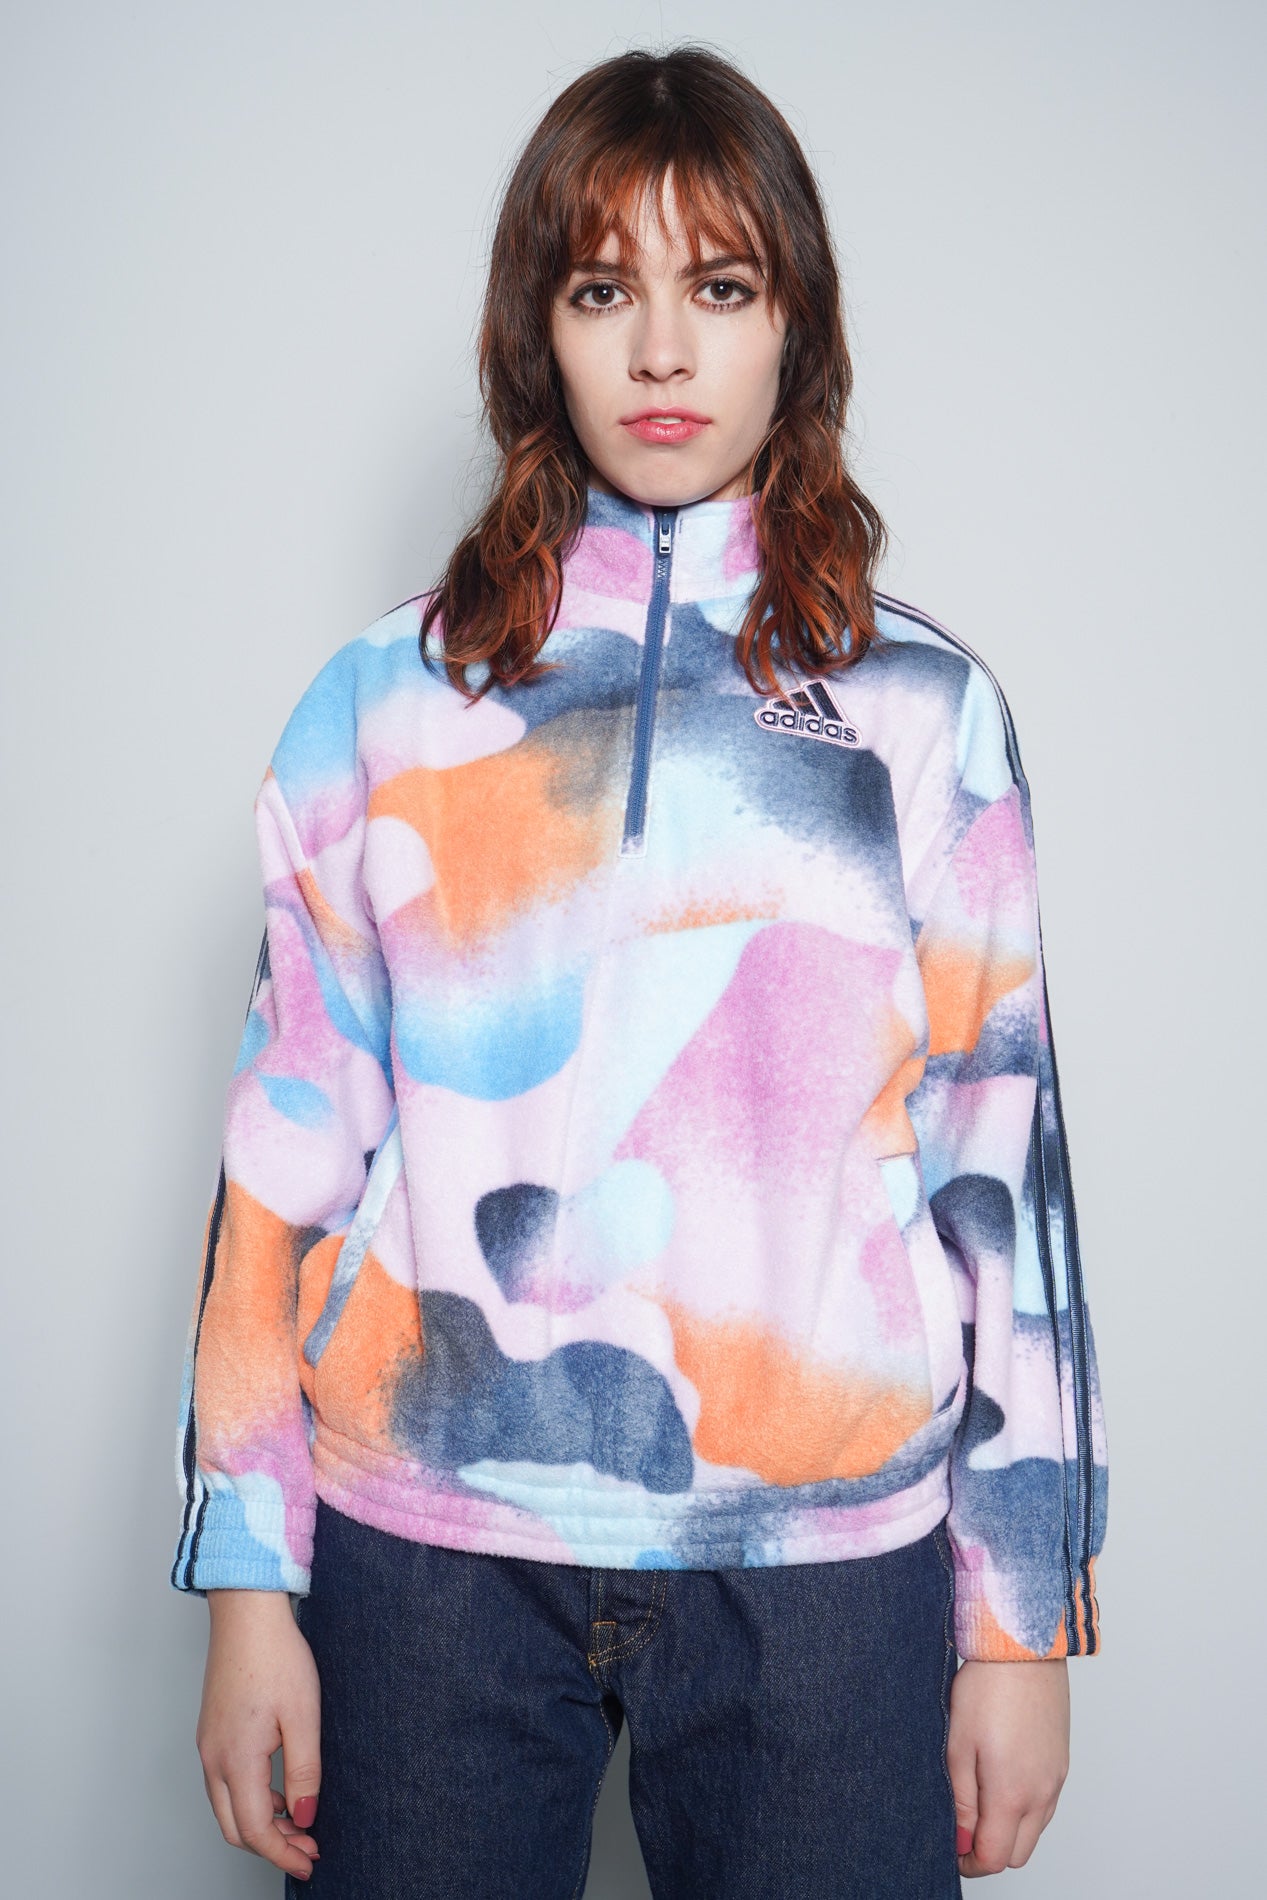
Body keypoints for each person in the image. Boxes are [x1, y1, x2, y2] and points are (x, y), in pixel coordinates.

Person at [171, 43, 1108, 1899]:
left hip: (826, 1566)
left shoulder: (927, 716)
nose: (664, 351)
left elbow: (1005, 1173)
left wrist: (1022, 1625)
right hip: (426, 1552)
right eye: (606, 291)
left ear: (794, 325)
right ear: (540, 329)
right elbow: (283, 1157)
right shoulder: (381, 703)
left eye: (722, 288)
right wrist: (247, 1583)